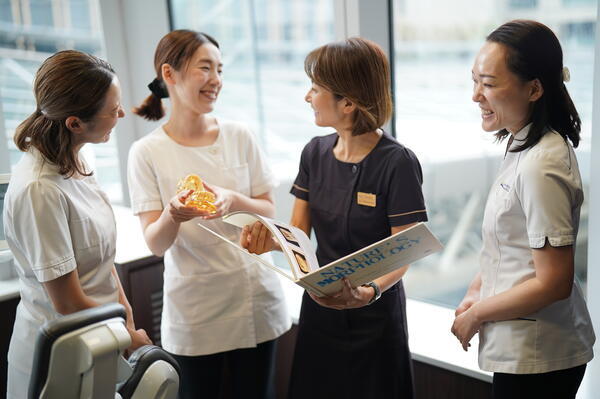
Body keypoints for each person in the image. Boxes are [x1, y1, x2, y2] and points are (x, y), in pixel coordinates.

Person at [242, 37, 427, 398]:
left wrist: (369, 291)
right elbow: (298, 235)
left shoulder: (397, 162)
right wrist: (268, 239)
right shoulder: (314, 152)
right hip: (320, 308)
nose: (307, 97)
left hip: (376, 314)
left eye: (315, 89)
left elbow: (406, 250)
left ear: (348, 102)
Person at [128, 30, 290, 399]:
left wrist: (234, 200)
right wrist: (173, 213)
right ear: (170, 74)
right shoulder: (146, 152)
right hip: (196, 310)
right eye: (205, 68)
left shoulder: (239, 135)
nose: (216, 80)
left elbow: (268, 210)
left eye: (219, 69)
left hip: (254, 299)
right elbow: (156, 243)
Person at [451, 20, 595, 399]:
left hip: (542, 354)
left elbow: (553, 281)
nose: (476, 96)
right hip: (522, 346)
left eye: (489, 83)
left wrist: (478, 314)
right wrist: (476, 290)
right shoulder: (523, 143)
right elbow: (507, 242)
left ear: (534, 89)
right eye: (474, 81)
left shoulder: (541, 164)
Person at [3, 50, 151, 399]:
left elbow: (99, 260)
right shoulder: (39, 189)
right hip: (60, 357)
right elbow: (67, 302)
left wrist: (126, 316)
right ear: (74, 122)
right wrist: (127, 334)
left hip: (101, 335)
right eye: (112, 108)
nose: (120, 112)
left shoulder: (76, 158)